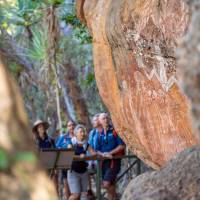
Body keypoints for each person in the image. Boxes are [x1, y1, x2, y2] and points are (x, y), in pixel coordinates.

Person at [94, 113, 125, 200]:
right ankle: (115, 197)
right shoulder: (99, 133)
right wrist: (102, 154)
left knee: (106, 184)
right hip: (103, 162)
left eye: (107, 118)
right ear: (100, 121)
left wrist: (110, 153)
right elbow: (96, 149)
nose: (106, 120)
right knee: (111, 185)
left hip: (113, 161)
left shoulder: (115, 131)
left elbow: (122, 146)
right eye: (103, 118)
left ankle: (117, 196)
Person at [68, 124, 97, 200]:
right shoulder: (71, 143)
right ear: (76, 134)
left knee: (84, 195)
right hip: (73, 171)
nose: (83, 133)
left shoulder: (86, 144)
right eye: (80, 132)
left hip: (84, 172)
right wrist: (79, 157)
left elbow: (94, 154)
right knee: (76, 195)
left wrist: (86, 157)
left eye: (83, 132)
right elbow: (68, 155)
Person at [32, 119, 59, 195]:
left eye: (43, 126)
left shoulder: (50, 140)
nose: (42, 128)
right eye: (40, 127)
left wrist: (56, 167)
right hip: (41, 168)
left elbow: (55, 152)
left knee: (55, 188)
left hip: (51, 167)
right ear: (37, 130)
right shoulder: (35, 142)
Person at [56, 120, 76, 200]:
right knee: (66, 183)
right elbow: (57, 148)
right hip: (65, 164)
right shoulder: (63, 137)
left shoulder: (79, 135)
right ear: (67, 127)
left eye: (72, 125)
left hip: (77, 164)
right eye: (69, 125)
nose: (71, 127)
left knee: (75, 186)